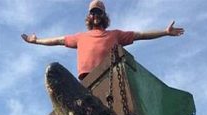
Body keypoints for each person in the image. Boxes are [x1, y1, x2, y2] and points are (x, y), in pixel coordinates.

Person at [21, 0, 185, 79]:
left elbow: (140, 35)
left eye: (99, 12)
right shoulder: (80, 37)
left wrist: (164, 32)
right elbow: (58, 40)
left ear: (103, 16)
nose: (96, 15)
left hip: (111, 77)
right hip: (87, 79)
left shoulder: (115, 34)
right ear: (89, 17)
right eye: (93, 12)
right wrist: (37, 41)